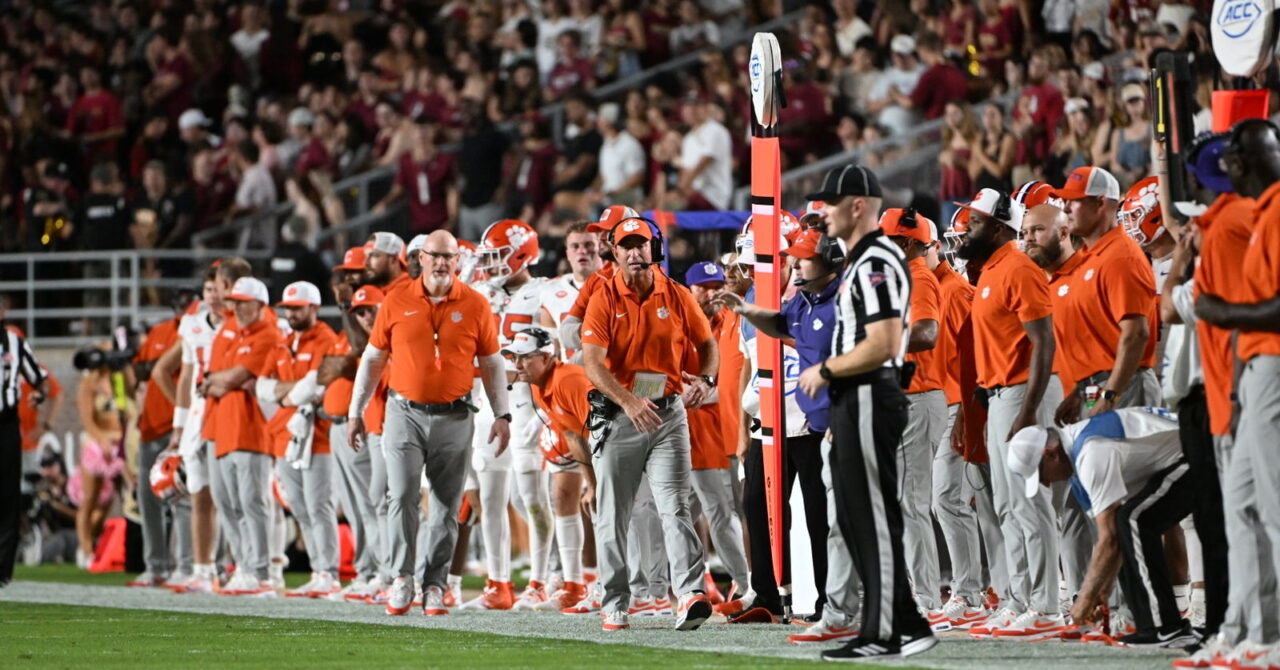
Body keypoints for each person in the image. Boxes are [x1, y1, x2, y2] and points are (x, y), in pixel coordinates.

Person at [794, 165, 934, 661]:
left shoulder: (876, 260)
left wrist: (827, 370)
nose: (823, 213)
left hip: (872, 392)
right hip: (857, 397)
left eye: (831, 203)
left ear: (857, 205)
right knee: (858, 517)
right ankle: (906, 621)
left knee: (871, 516)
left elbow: (885, 342)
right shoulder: (861, 260)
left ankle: (884, 632)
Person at [348, 230, 511, 617]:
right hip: (404, 412)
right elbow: (372, 359)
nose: (441, 262)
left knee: (445, 504)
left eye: (449, 256)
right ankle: (402, 576)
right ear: (420, 258)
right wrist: (356, 411)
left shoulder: (475, 303)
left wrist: (502, 414)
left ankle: (435, 584)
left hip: (456, 414)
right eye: (435, 255)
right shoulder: (395, 300)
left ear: (457, 260)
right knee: (401, 494)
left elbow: (491, 364)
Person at [579, 217, 718, 632]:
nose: (636, 252)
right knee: (612, 514)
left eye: (642, 245)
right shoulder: (603, 295)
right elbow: (591, 361)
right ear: (616, 253)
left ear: (655, 250)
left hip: (668, 412)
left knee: (676, 506)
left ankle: (690, 594)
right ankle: (615, 600)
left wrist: (706, 379)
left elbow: (707, 341)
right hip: (619, 414)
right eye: (628, 246)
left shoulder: (675, 295)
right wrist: (628, 400)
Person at [951, 187, 1063, 640]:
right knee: (1008, 505)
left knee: (1029, 504)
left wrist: (1030, 410)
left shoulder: (1018, 266)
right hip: (1001, 394)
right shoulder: (993, 269)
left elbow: (1045, 342)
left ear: (999, 227)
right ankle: (1019, 600)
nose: (967, 229)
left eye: (975, 222)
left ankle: (1046, 607)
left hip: (1023, 393)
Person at [720, 228, 837, 636]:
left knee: (818, 516)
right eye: (750, 265)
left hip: (806, 420)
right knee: (757, 507)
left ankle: (826, 600)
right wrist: (741, 427)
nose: (754, 272)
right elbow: (749, 367)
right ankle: (767, 596)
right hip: (764, 421)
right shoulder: (752, 299)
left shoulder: (811, 295)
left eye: (762, 263)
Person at [1195, 118, 1280, 667]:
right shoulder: (1260, 214)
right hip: (1253, 370)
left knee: (1273, 505)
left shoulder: (1270, 213)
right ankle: (1258, 632)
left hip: (1272, 361)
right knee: (1245, 503)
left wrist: (1225, 314)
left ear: (1238, 164)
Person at [1006, 408, 1198, 648]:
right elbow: (1112, 538)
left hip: (1198, 452)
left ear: (1051, 454)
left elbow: (1109, 541)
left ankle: (1166, 627)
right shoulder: (1076, 461)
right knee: (1127, 521)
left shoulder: (1091, 452)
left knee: (1135, 520)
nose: (1045, 482)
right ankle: (1151, 625)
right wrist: (1102, 592)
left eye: (1040, 473)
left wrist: (1085, 599)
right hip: (1188, 453)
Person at [466, 219, 552, 611]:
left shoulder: (543, 292)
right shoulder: (480, 292)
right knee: (491, 495)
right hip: (489, 401)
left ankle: (541, 580)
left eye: (499, 255)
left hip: (527, 401)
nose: (493, 264)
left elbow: (554, 352)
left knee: (531, 496)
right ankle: (497, 583)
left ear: (522, 252)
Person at [1052, 166, 1158, 425]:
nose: (1065, 209)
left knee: (1129, 465)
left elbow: (1135, 334)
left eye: (1073, 201)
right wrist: (1081, 392)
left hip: (1124, 384)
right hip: (1101, 386)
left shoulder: (1120, 255)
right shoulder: (1090, 258)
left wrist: (1111, 394)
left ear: (1100, 203)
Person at [260, 282, 341, 599]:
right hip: (285, 434)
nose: (291, 313)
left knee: (319, 506)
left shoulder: (327, 340)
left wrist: (285, 393)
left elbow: (318, 386)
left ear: (313, 308)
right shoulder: (283, 342)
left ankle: (329, 573)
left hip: (317, 435)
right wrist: (293, 392)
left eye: (297, 307)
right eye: (288, 308)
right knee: (301, 508)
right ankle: (318, 570)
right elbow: (262, 387)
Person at [200, 276, 279, 597]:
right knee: (225, 502)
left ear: (260, 304)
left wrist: (217, 381)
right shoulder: (229, 329)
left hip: (250, 427)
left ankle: (261, 573)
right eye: (236, 302)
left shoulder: (269, 334)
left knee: (252, 502)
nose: (237, 307)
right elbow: (213, 377)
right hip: (217, 426)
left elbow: (236, 377)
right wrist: (217, 381)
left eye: (244, 302)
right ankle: (244, 566)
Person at [682, 263, 753, 614]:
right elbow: (656, 375)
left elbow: (729, 379)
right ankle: (674, 587)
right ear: (689, 289)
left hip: (715, 432)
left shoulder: (729, 320)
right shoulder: (678, 325)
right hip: (682, 432)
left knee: (720, 512)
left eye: (715, 285)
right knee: (675, 513)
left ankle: (745, 581)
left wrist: (700, 389)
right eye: (702, 287)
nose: (710, 294)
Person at [506, 326, 593, 611]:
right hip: (580, 443)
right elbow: (571, 433)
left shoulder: (569, 380)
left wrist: (595, 481)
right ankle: (574, 585)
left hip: (611, 446)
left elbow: (597, 432)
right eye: (514, 357)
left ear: (545, 357)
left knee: (613, 512)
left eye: (524, 357)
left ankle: (630, 588)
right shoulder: (537, 382)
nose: (517, 365)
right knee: (562, 500)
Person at [156, 265, 231, 593]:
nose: (214, 296)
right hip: (198, 415)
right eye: (209, 290)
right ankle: (202, 568)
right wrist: (179, 425)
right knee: (198, 493)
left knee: (232, 497)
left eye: (219, 289)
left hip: (228, 413)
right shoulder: (192, 325)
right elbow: (185, 377)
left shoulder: (240, 324)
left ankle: (240, 565)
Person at [319, 282, 385, 602]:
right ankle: (371, 573)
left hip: (386, 428)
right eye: (360, 312)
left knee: (382, 504)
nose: (367, 317)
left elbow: (352, 359)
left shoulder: (386, 335)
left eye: (371, 309)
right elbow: (324, 373)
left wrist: (346, 309)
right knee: (364, 506)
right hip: (361, 426)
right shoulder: (350, 337)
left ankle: (387, 574)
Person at [127, 292, 193, 588]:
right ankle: (156, 566)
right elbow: (141, 371)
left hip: (176, 425)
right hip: (150, 426)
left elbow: (160, 372)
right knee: (147, 497)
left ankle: (187, 566)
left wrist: (182, 412)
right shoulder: (160, 331)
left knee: (179, 497)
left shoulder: (196, 329)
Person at [0, 307, 50, 586]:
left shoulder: (15, 343)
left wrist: (38, 397)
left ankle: (3, 571)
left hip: (6, 424)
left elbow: (39, 380)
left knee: (8, 496)